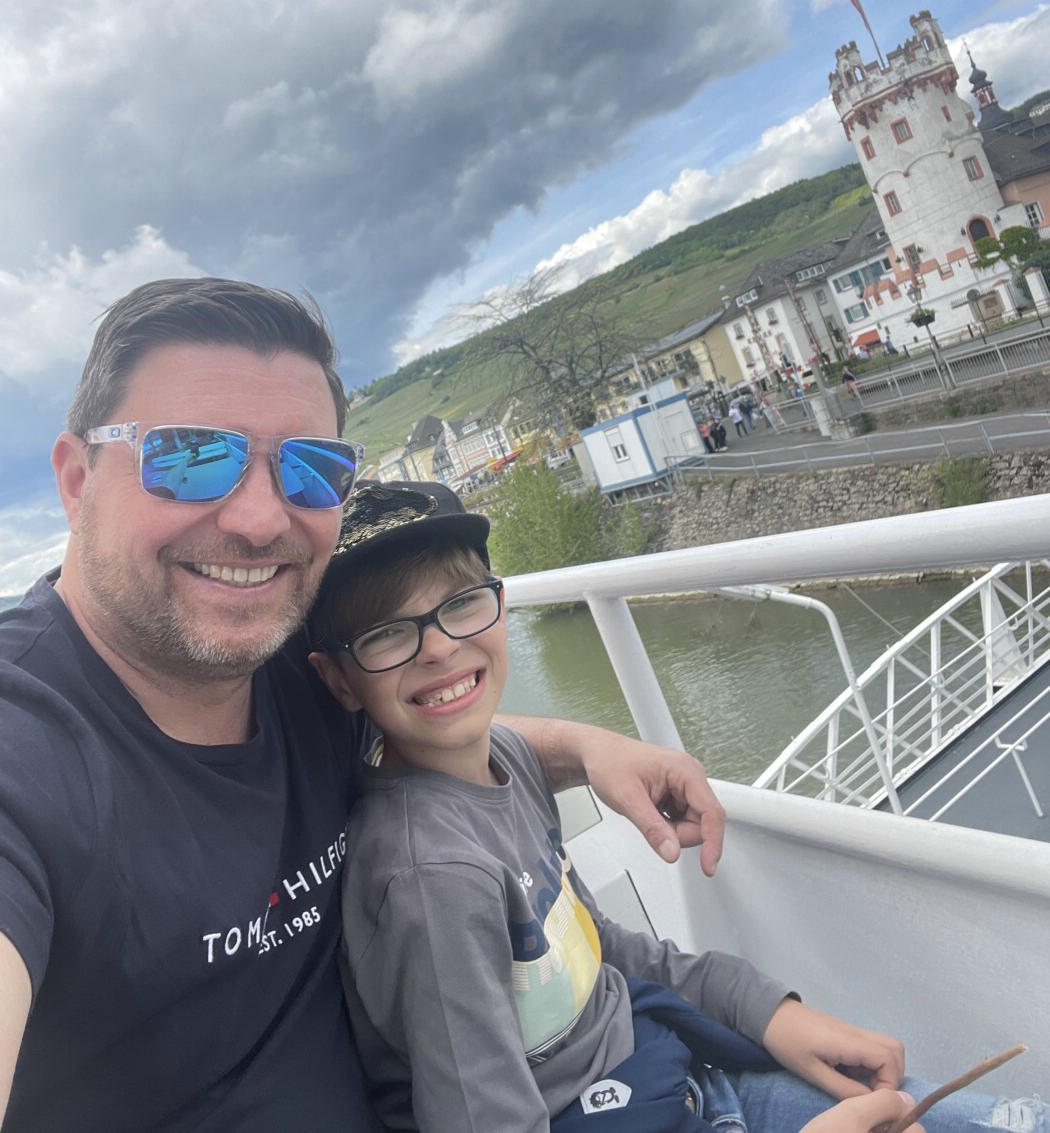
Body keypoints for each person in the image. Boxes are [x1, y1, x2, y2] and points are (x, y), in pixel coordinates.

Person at [0, 278, 729, 1133]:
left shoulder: (294, 664)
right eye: (191, 456)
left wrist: (587, 746)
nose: (260, 519)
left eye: (311, 470)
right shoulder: (26, 744)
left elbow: (430, 720)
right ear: (77, 479)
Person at [308, 482, 1004, 1133]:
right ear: (338, 679)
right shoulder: (432, 880)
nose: (439, 647)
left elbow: (598, 950)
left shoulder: (510, 761)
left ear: (500, 604)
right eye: (385, 634)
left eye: (461, 603)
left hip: (669, 1074)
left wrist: (763, 1011)